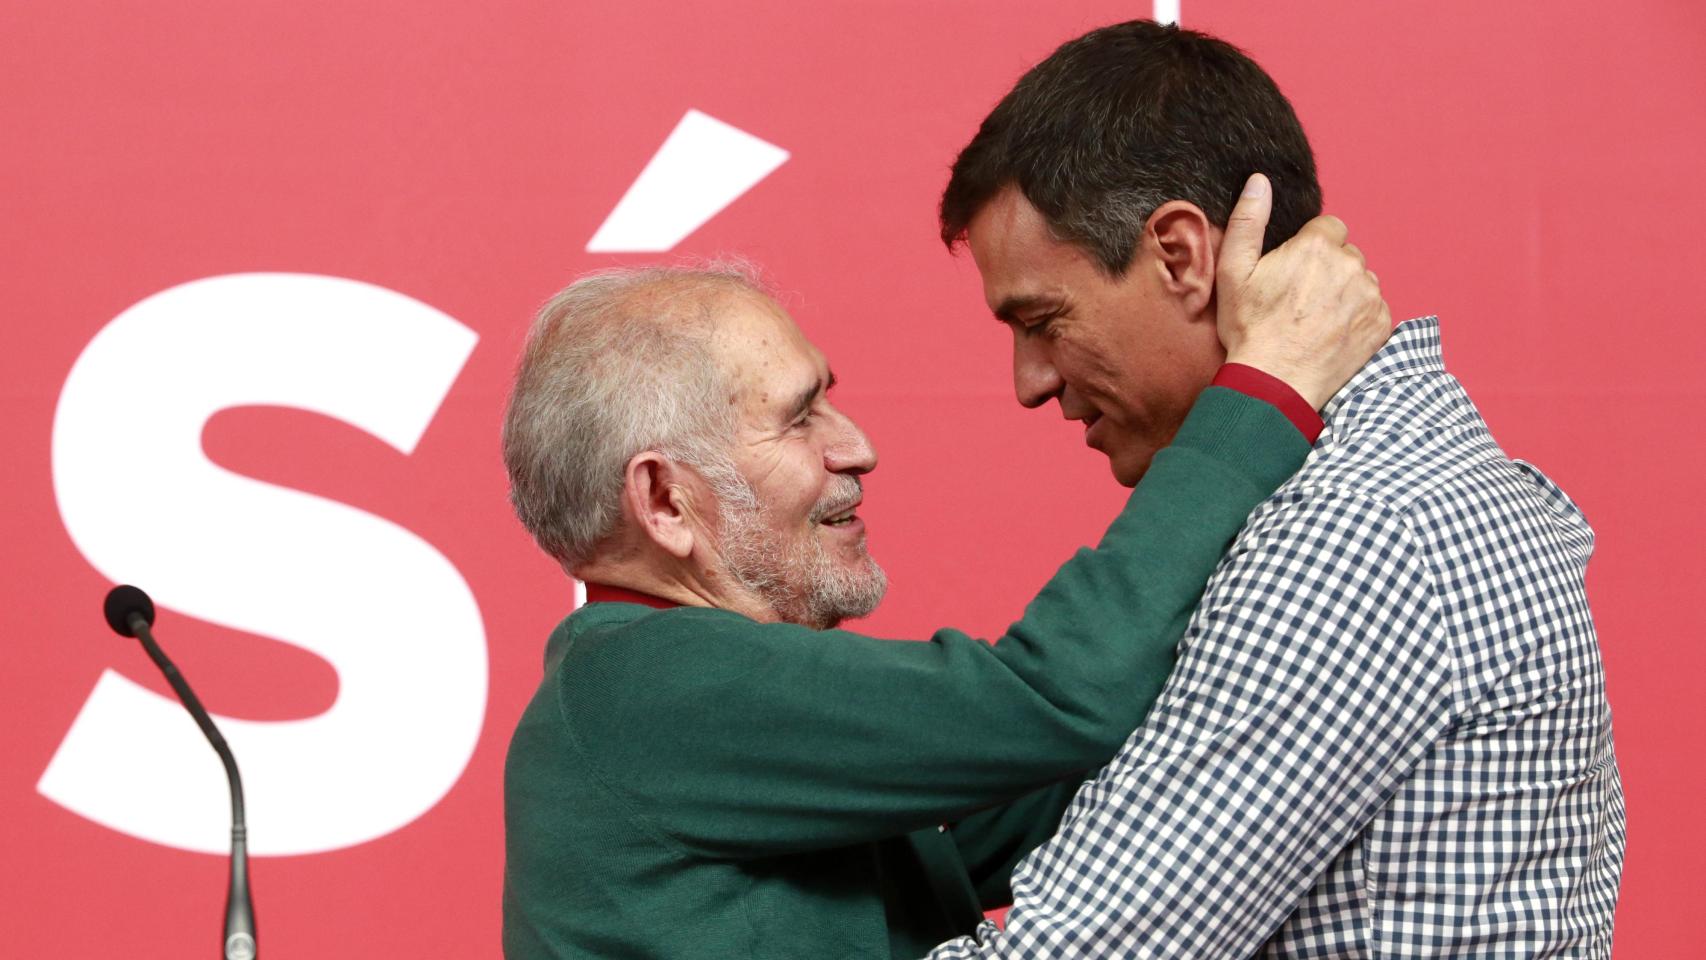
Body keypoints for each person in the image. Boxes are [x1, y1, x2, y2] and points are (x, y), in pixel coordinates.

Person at [499, 192, 1386, 958]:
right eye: (801, 418)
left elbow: (1043, 796)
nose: (859, 447)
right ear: (663, 501)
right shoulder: (644, 684)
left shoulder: (671, 716)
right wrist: (1269, 388)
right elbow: (1058, 695)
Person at [927, 20, 1625, 959]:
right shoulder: (1406, 483)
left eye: (1045, 320)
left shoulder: (1354, 532)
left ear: (1181, 254)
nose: (1030, 381)